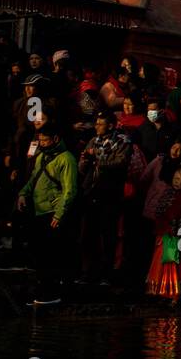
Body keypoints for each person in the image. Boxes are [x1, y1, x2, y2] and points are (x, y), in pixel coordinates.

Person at [17, 128, 78, 305]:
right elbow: (34, 178)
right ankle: (43, 289)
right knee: (40, 253)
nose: (42, 144)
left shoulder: (66, 159)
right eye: (41, 141)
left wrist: (59, 215)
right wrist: (23, 193)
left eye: (45, 140)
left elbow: (69, 190)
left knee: (52, 254)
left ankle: (53, 292)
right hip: (39, 210)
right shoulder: (42, 157)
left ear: (55, 138)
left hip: (53, 211)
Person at [77, 111, 132, 284]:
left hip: (110, 193)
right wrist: (85, 161)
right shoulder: (93, 141)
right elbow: (82, 168)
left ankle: (107, 273)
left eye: (100, 124)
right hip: (91, 191)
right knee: (88, 234)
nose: (96, 127)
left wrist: (97, 159)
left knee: (108, 234)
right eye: (96, 123)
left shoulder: (122, 141)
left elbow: (120, 162)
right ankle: (88, 272)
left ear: (110, 126)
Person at [144, 165, 181, 300]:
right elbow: (160, 212)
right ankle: (160, 289)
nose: (175, 181)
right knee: (163, 259)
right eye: (174, 179)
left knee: (177, 262)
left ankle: (174, 292)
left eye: (178, 179)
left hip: (179, 235)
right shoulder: (167, 193)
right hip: (164, 233)